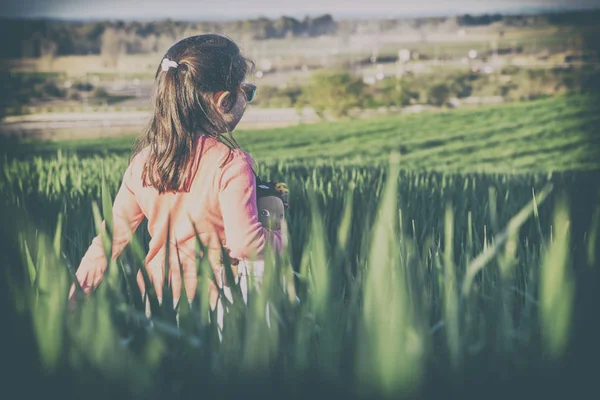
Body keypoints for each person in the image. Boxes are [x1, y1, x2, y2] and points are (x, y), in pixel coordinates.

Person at [69, 34, 287, 318]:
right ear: (223, 100)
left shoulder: (143, 163)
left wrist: (75, 298)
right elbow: (245, 244)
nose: (247, 97)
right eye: (246, 91)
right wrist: (280, 238)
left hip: (155, 301)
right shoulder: (231, 164)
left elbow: (110, 238)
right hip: (213, 305)